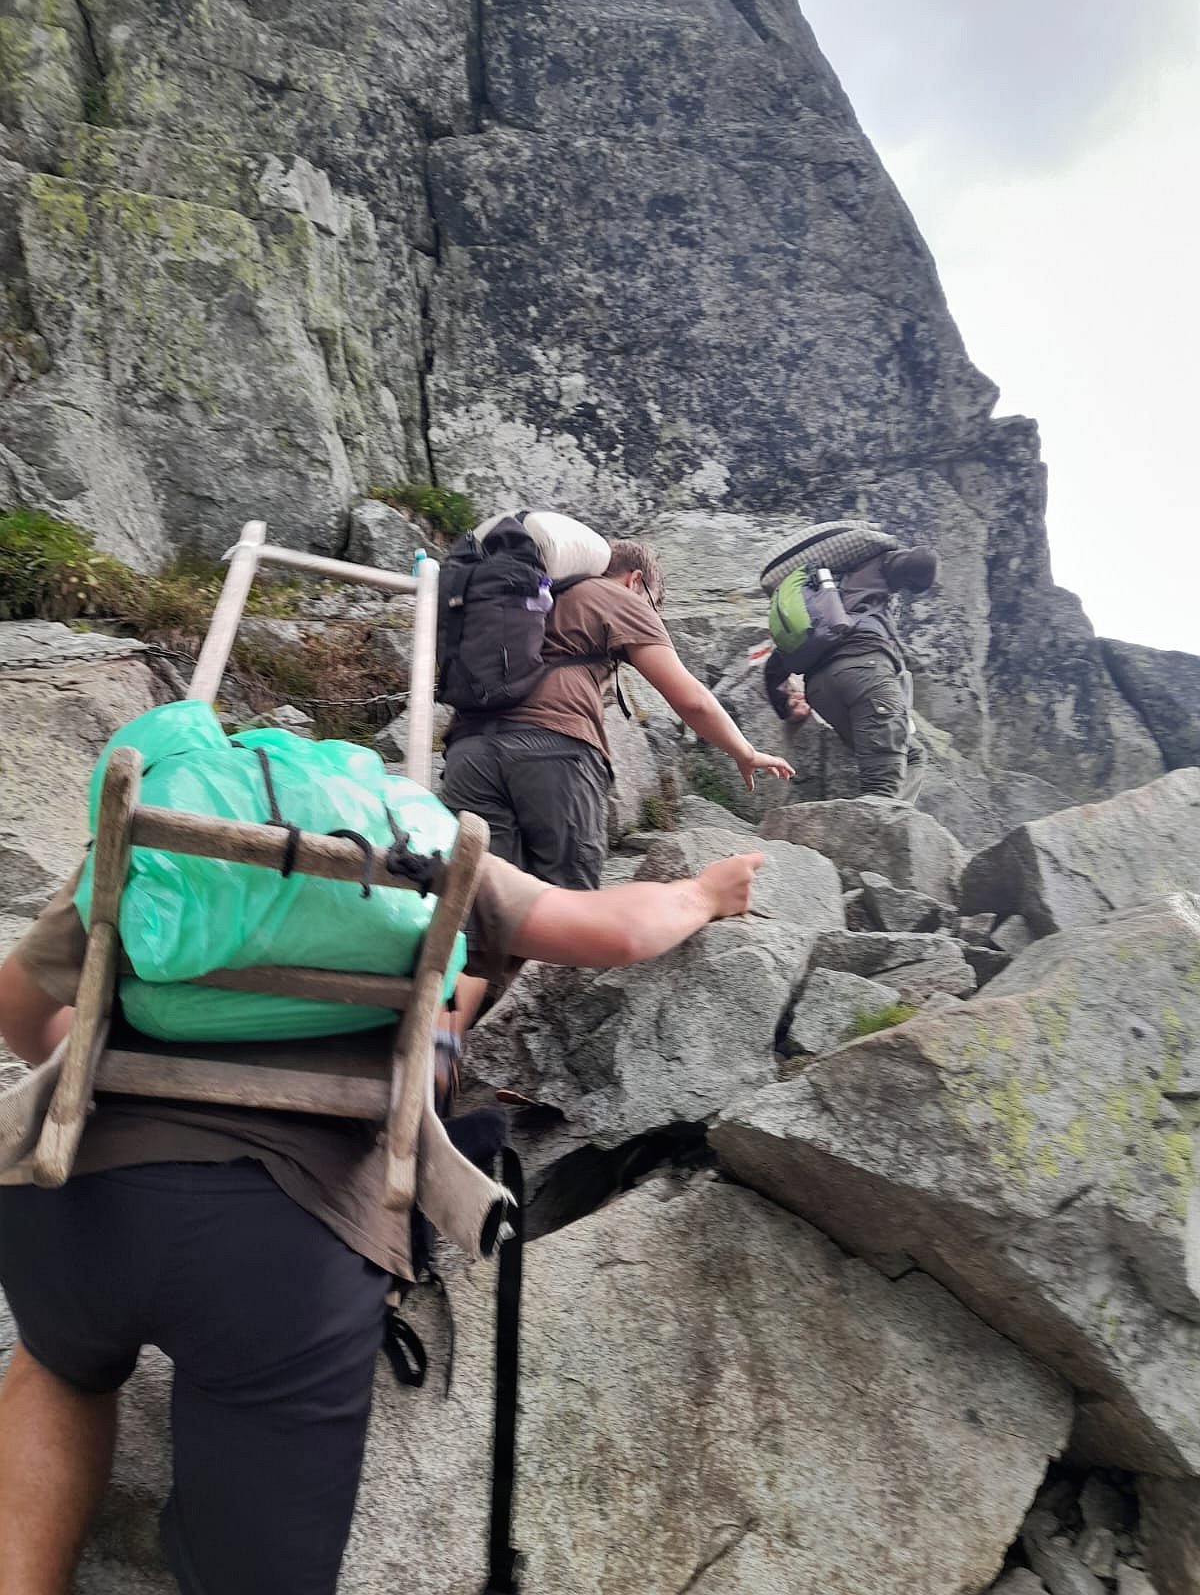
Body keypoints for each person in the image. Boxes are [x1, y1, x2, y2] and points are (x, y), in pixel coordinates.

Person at [0, 844, 764, 1595]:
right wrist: (705, 892)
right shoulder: (421, 845)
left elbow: (21, 1012)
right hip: (281, 1249)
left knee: (61, 1365)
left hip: (73, 1205)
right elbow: (618, 932)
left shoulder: (158, 827)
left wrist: (154, 1063)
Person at [440, 538, 793, 1039]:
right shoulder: (614, 596)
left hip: (469, 752)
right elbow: (690, 699)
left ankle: (442, 1041)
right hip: (554, 751)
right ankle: (532, 1055)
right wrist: (744, 751)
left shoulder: (523, 596)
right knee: (570, 902)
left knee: (476, 904)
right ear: (636, 581)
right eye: (654, 603)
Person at [763, 544, 938, 802]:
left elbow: (774, 667)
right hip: (866, 672)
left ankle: (887, 821)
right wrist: (913, 571)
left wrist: (785, 707)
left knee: (911, 754)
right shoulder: (872, 569)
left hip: (820, 691)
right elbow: (922, 560)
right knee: (882, 789)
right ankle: (882, 822)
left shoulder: (819, 602)